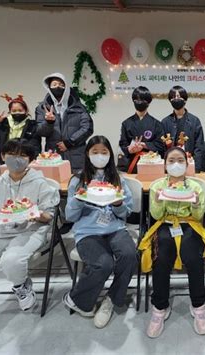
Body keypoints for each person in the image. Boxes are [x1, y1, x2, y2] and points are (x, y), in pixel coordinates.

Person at [0, 139, 60, 346]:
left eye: (22, 155)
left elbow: (49, 215)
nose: (16, 159)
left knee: (11, 260)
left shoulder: (41, 184)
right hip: (0, 231)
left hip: (31, 229)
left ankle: (21, 285)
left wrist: (35, 215)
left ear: (30, 160)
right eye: (12, 154)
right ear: (3, 156)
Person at [138, 147, 205, 338]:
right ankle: (160, 306)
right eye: (171, 161)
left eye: (180, 160)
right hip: (164, 223)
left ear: (187, 164)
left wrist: (195, 203)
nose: (176, 164)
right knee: (162, 257)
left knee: (193, 257)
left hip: (189, 224)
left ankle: (198, 305)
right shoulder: (158, 186)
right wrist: (158, 200)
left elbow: (198, 216)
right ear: (165, 164)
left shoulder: (196, 187)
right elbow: (156, 215)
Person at [63, 135, 137, 329]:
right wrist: (78, 199)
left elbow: (126, 212)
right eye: (95, 152)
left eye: (104, 152)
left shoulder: (118, 179)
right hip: (87, 231)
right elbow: (70, 217)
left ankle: (112, 299)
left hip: (115, 227)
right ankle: (77, 299)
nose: (99, 156)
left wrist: (119, 205)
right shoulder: (78, 180)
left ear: (110, 155)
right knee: (103, 264)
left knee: (129, 254)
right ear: (87, 154)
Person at [35, 72, 94, 173]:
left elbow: (88, 128)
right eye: (54, 84)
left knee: (76, 185)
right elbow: (40, 132)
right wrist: (49, 122)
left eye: (61, 84)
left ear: (66, 87)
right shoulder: (42, 108)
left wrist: (70, 142)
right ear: (48, 87)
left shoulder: (79, 107)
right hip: (52, 157)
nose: (58, 86)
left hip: (76, 156)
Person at [0, 94, 41, 164]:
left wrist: (33, 160)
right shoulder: (4, 124)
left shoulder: (32, 125)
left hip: (25, 162)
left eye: (20, 110)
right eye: (14, 111)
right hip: (6, 161)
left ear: (26, 111)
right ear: (10, 112)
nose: (17, 112)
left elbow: (35, 145)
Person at [118, 86, 165, 173]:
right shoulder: (126, 123)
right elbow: (122, 144)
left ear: (148, 102)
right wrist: (130, 149)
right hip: (132, 164)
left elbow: (161, 145)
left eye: (143, 100)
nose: (139, 102)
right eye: (137, 100)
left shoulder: (157, 124)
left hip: (151, 164)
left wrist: (144, 145)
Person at [161, 86, 205, 172]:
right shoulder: (165, 122)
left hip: (189, 162)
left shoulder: (194, 121)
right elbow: (162, 147)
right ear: (170, 100)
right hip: (171, 165)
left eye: (179, 96)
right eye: (173, 97)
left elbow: (199, 147)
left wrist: (196, 169)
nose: (176, 99)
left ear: (185, 99)